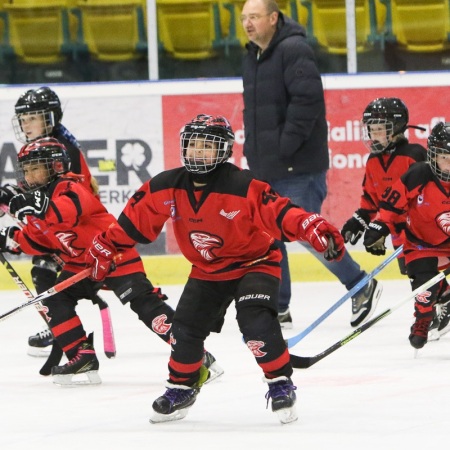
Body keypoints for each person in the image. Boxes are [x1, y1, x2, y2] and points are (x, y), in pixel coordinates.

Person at [85, 114, 345, 424]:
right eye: (193, 145)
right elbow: (133, 221)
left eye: (207, 146)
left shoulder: (242, 184)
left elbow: (280, 211)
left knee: (255, 321)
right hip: (208, 270)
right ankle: (182, 385)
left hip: (256, 263)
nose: (198, 152)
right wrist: (107, 244)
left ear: (223, 151)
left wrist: (309, 224)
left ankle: (279, 382)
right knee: (183, 331)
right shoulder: (166, 185)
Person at [0, 137, 223, 385]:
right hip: (81, 265)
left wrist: (33, 205)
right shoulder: (36, 203)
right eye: (26, 169)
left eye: (36, 167)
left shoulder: (71, 187)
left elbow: (66, 211)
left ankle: (196, 355)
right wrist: (11, 239)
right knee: (54, 298)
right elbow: (41, 240)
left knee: (146, 306)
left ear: (56, 166)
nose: (29, 175)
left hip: (113, 255)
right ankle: (81, 356)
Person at [240, 0, 381, 329]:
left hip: (296, 166)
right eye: (244, 18)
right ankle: (279, 306)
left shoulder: (293, 49)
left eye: (255, 17)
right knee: (268, 235)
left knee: (307, 232)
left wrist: (283, 147)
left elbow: (307, 102)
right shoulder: (253, 56)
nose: (247, 24)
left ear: (273, 18)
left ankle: (360, 283)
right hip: (267, 166)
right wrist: (257, 152)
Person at [0, 86, 98, 357]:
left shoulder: (62, 149)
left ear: (50, 118)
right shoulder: (39, 148)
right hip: (60, 226)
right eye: (22, 118)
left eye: (31, 117)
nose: (25, 124)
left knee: (44, 266)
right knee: (41, 267)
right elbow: (33, 190)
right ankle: (60, 328)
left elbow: (68, 197)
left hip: (73, 230)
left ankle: (61, 330)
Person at [363, 122, 450, 350]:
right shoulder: (418, 174)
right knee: (424, 287)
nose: (449, 164)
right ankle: (423, 320)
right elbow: (392, 203)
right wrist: (379, 227)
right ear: (432, 156)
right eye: (444, 157)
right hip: (421, 243)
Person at [341, 97, 427, 320]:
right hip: (400, 235)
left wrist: (384, 227)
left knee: (424, 272)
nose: (374, 135)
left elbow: (425, 197)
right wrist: (358, 221)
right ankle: (436, 305)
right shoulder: (373, 161)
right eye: (372, 129)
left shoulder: (414, 155)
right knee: (413, 274)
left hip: (423, 230)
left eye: (380, 130)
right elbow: (372, 201)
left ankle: (438, 305)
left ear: (397, 129)